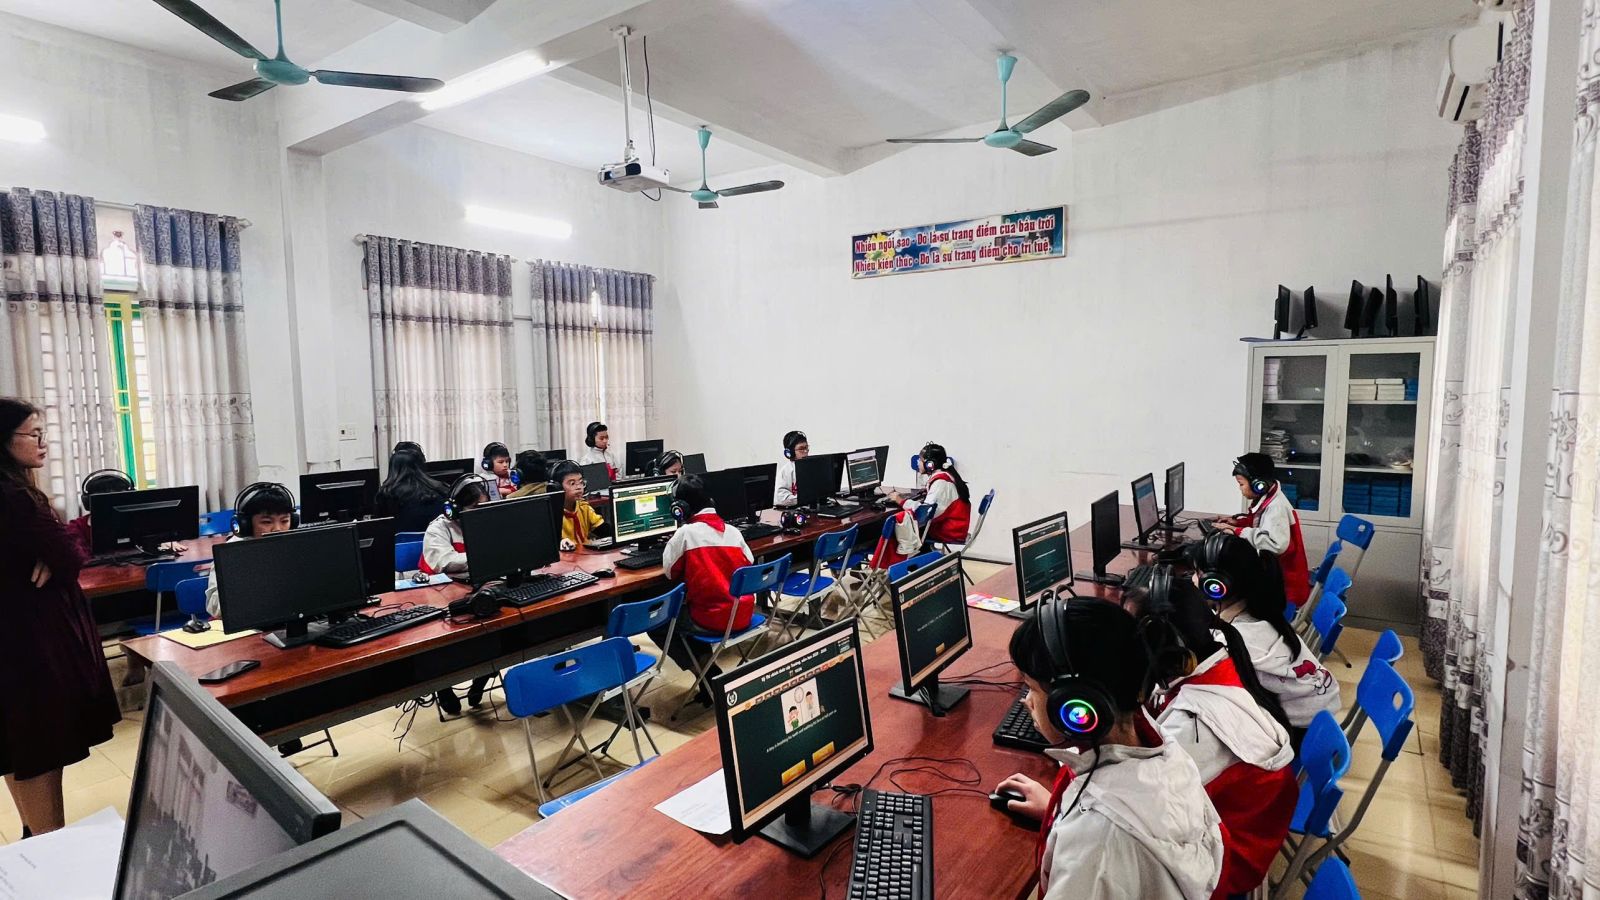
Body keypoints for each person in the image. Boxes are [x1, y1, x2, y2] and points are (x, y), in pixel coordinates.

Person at [995, 598, 1222, 899]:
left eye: (1032, 689)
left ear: (1075, 707)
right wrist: (1058, 811)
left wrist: (1084, 826)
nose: (1027, 701)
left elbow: (1103, 847)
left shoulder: (1097, 847)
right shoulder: (1165, 748)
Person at [1124, 565, 1297, 898]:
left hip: (1229, 863)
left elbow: (1142, 809)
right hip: (1240, 829)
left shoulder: (1193, 725)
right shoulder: (1217, 656)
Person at [0, 398, 122, 837]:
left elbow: (60, 548)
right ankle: (49, 844)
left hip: (13, 641)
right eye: (33, 434)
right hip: (32, 643)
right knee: (41, 747)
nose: (43, 443)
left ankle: (32, 832)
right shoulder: (16, 498)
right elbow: (71, 551)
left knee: (17, 744)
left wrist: (52, 555)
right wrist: (56, 557)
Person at [1189, 532, 1338, 745]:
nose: (1193, 580)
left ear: (1216, 584)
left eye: (1197, 573)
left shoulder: (1232, 642)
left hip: (1297, 735)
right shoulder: (1264, 614)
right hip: (1318, 721)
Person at [647, 474, 756, 705]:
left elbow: (669, 572)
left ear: (680, 508)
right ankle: (708, 674)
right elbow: (750, 563)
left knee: (658, 622)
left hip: (712, 619)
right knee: (689, 613)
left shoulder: (685, 534)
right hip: (743, 614)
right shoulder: (734, 532)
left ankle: (708, 674)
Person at [419, 475, 494, 713]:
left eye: (483, 506)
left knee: (497, 626)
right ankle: (443, 686)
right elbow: (444, 561)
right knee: (450, 635)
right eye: (474, 507)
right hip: (443, 590)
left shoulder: (485, 521)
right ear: (454, 508)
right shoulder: (439, 528)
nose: (480, 512)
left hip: (479, 584)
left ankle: (481, 679)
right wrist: (486, 553)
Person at [1210, 453, 1310, 609]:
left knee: (1228, 585)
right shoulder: (1270, 498)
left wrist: (1237, 531)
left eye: (1241, 484)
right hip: (1277, 578)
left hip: (1285, 587)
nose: (1240, 489)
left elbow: (1276, 544)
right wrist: (1238, 523)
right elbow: (1262, 525)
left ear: (1259, 485)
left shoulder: (1276, 508)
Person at [205, 482, 297, 620]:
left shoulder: (296, 548)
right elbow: (215, 606)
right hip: (247, 624)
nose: (277, 529)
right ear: (245, 524)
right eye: (267, 522)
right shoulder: (231, 553)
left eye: (284, 521)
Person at [887, 442, 971, 546]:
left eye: (920, 460)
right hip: (954, 527)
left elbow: (924, 514)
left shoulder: (941, 483)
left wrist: (900, 500)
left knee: (897, 530)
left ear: (930, 465)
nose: (918, 462)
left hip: (949, 532)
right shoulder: (946, 475)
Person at [375, 445, 448, 533]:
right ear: (419, 467)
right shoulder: (438, 488)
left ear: (392, 469)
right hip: (436, 537)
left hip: (401, 540)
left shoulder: (386, 493)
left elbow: (381, 527)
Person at [65, 468, 134, 555]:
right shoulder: (77, 527)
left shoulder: (139, 521)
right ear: (87, 502)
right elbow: (79, 557)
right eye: (104, 500)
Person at [550, 461, 610, 545]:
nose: (579, 487)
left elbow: (603, 529)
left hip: (585, 552)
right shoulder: (552, 514)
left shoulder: (583, 507)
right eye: (572, 483)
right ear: (557, 487)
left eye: (581, 482)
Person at [775, 430, 807, 507]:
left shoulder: (812, 467)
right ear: (790, 453)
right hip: (794, 509)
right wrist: (801, 499)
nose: (806, 451)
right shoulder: (785, 472)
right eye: (801, 449)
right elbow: (782, 497)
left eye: (806, 448)